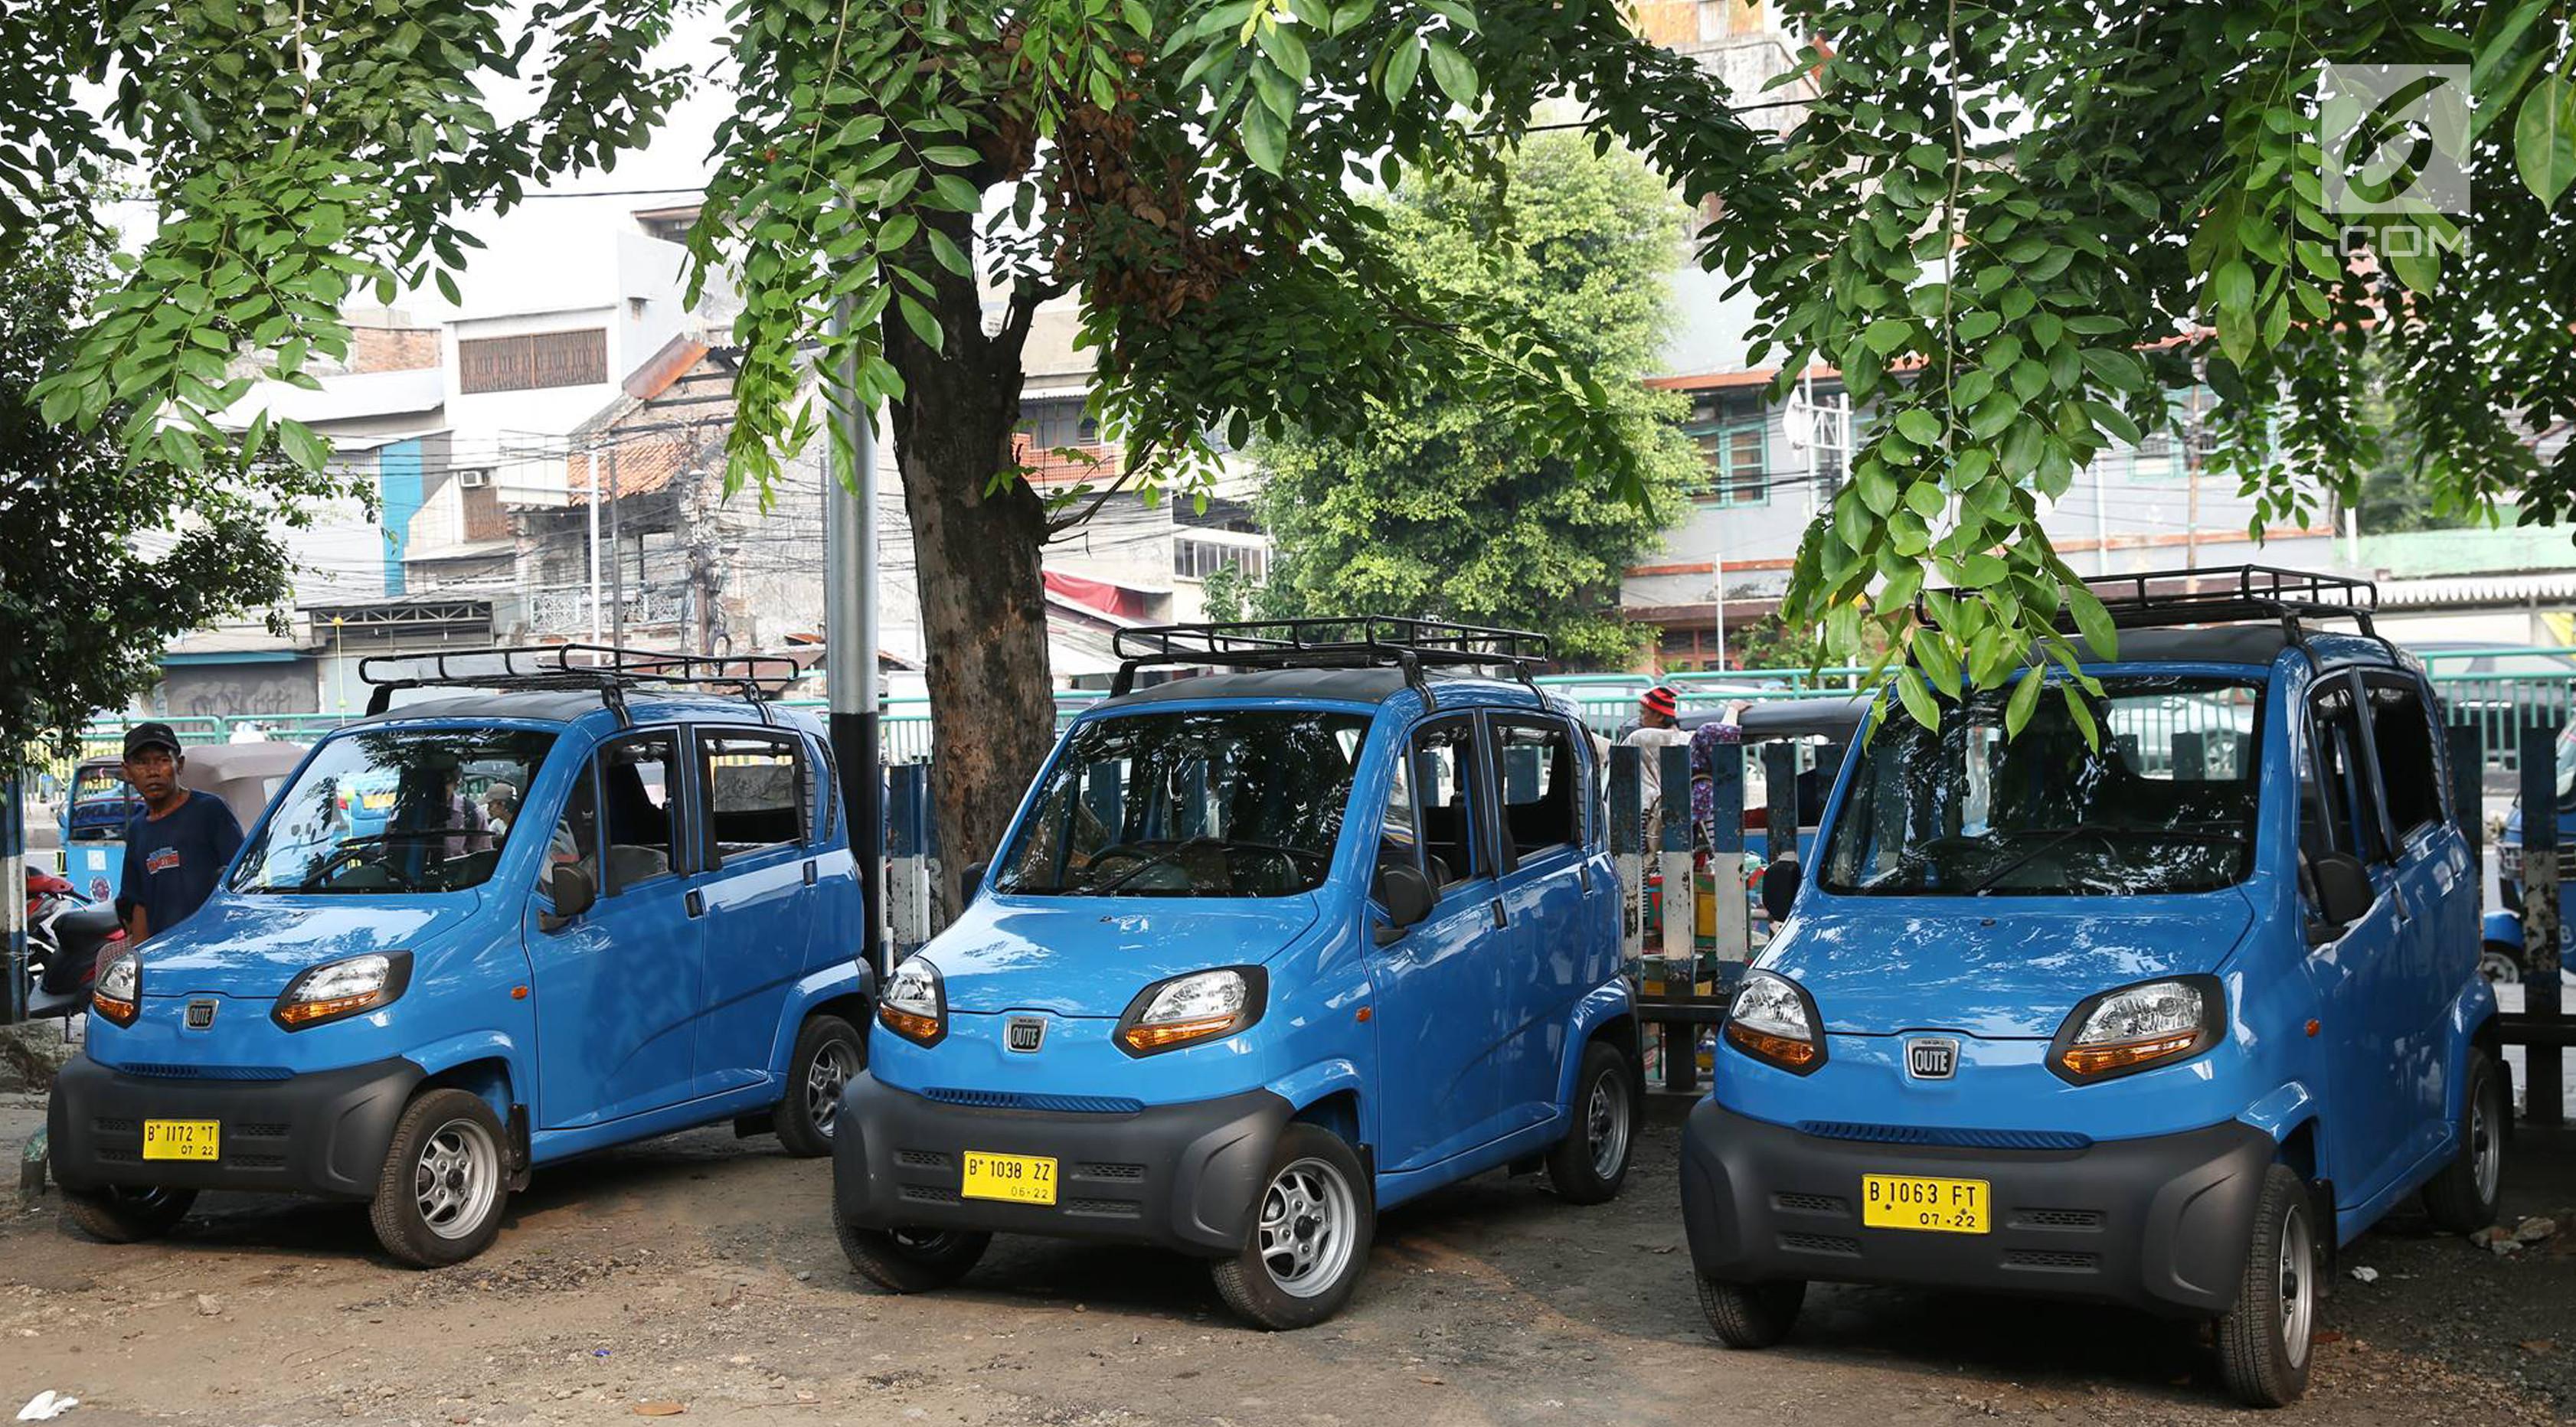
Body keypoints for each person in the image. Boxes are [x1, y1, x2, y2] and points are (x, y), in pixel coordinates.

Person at [114, 723, 244, 945]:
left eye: (163, 761)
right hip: (165, 955)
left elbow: (241, 881)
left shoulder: (210, 810)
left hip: (213, 949)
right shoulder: (138, 829)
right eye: (142, 763)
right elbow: (139, 905)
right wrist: (141, 962)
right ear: (127, 771)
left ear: (180, 764)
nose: (152, 771)